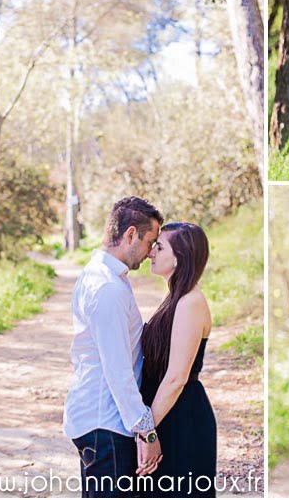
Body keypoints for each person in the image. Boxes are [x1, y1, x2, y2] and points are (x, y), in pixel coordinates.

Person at [64, 196, 165, 498]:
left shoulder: (106, 276)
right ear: (131, 234)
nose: (150, 253)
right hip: (105, 423)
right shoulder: (107, 287)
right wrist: (146, 431)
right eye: (151, 242)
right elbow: (118, 370)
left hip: (99, 421)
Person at [136, 223, 217, 498]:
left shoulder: (190, 302)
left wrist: (147, 431)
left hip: (181, 417)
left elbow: (176, 377)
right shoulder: (175, 298)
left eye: (159, 247)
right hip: (166, 413)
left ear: (179, 257)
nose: (151, 253)